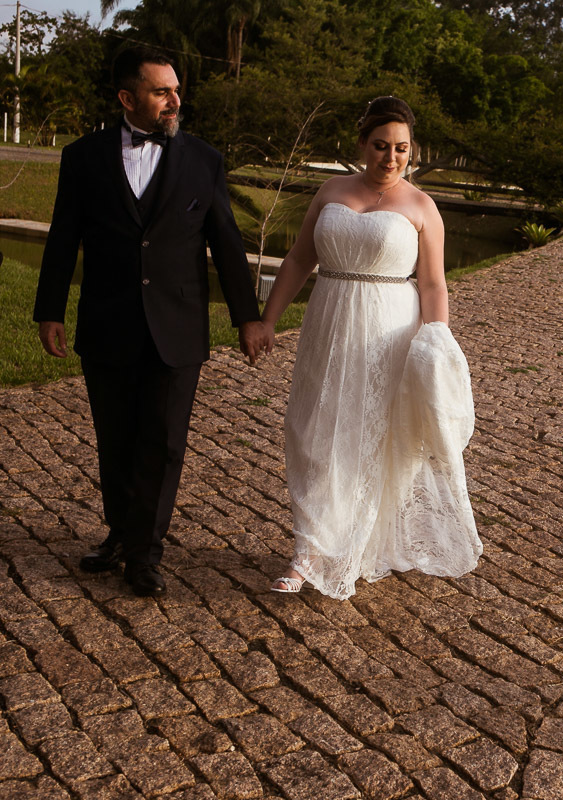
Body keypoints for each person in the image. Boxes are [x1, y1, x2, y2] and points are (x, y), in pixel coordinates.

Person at [34, 46, 272, 596]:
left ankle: (145, 553)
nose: (174, 100)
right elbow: (64, 236)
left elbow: (227, 246)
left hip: (178, 326)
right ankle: (120, 533)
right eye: (161, 91)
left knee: (163, 443)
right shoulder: (83, 157)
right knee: (115, 437)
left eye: (176, 90)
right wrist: (50, 309)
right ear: (127, 98)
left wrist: (248, 318)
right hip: (107, 321)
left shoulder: (204, 160)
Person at [261, 96, 480, 599]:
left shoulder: (422, 206)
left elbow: (432, 286)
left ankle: (343, 547)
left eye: (401, 148)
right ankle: (309, 549)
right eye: (381, 146)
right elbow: (297, 261)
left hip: (391, 332)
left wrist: (436, 341)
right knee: (313, 431)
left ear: (411, 150)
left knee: (374, 436)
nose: (391, 158)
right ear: (362, 144)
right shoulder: (330, 191)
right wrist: (268, 319)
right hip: (328, 324)